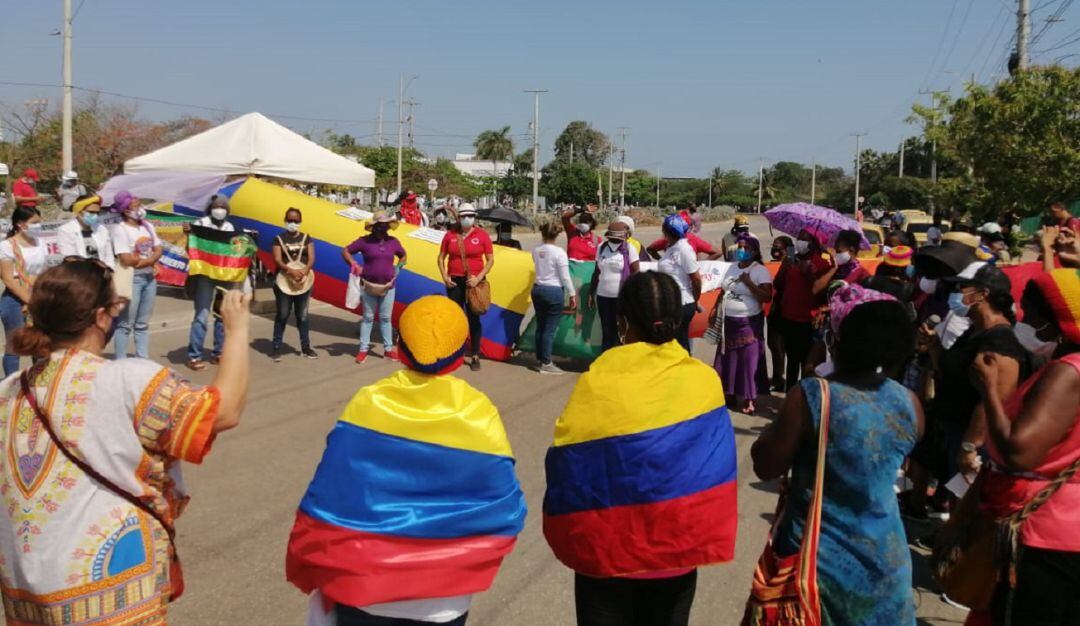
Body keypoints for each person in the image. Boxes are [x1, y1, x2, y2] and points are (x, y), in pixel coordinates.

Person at [0, 259, 250, 625]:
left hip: (26, 587)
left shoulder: (9, 389)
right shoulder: (130, 379)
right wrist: (237, 329)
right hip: (109, 591)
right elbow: (222, 412)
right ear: (102, 317)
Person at [287, 295, 525, 626]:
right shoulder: (477, 411)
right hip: (445, 599)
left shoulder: (370, 402)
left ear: (399, 346)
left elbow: (330, 491)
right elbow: (504, 504)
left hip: (362, 588)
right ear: (460, 352)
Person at [544, 271, 738, 626]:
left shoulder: (598, 380)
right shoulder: (704, 379)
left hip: (605, 557)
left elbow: (568, 464)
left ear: (622, 322)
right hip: (676, 556)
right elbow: (711, 466)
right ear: (678, 319)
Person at [751, 284, 923, 626]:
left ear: (838, 341)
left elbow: (765, 464)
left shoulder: (813, 395)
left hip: (818, 565)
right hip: (886, 559)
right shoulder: (910, 404)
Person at [965, 269, 1080, 626]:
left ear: (1056, 319)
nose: (1024, 318)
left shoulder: (1068, 372)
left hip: (1044, 533)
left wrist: (988, 389)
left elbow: (1020, 452)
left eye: (1031, 312)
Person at [906, 263, 1033, 519]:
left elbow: (992, 400)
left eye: (961, 288)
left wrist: (970, 446)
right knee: (955, 497)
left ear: (982, 294)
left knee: (965, 503)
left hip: (971, 438)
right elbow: (952, 371)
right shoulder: (974, 332)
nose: (955, 293)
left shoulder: (999, 342)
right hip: (952, 428)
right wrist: (933, 346)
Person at [711, 234, 772, 414]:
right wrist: (715, 309)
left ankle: (749, 398)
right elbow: (723, 291)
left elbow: (767, 296)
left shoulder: (760, 270)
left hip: (749, 322)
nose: (741, 250)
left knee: (749, 361)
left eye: (746, 248)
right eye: (739, 246)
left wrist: (749, 283)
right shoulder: (731, 268)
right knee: (728, 359)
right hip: (728, 322)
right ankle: (729, 393)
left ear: (754, 251)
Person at [343, 211, 407, 364]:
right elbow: (346, 251)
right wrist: (354, 265)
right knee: (368, 318)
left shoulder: (393, 242)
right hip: (368, 285)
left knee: (385, 319)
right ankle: (363, 350)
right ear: (374, 226)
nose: (382, 228)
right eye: (379, 225)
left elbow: (403, 255)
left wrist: (399, 267)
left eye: (385, 225)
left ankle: (388, 350)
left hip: (389, 286)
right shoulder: (364, 241)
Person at [184, 196, 239, 370]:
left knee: (222, 315)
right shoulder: (201, 223)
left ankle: (218, 353)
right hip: (206, 275)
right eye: (217, 206)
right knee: (201, 315)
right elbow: (191, 248)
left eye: (223, 206)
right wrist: (189, 234)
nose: (220, 209)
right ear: (210, 208)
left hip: (224, 275)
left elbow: (234, 249)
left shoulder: (229, 227)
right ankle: (194, 356)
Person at [773, 228, 832, 390]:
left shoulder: (821, 264)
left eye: (804, 239)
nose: (799, 242)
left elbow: (822, 293)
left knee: (808, 363)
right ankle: (790, 394)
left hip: (808, 321)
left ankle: (805, 397)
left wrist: (809, 275)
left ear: (813, 243)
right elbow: (777, 284)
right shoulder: (791, 258)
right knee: (792, 360)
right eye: (798, 238)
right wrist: (786, 266)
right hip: (789, 318)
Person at [439, 204, 493, 371]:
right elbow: (441, 258)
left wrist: (478, 278)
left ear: (474, 217)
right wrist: (445, 277)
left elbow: (490, 260)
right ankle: (454, 353)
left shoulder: (482, 235)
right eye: (463, 216)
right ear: (460, 218)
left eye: (470, 216)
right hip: (455, 282)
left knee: (473, 318)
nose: (467, 219)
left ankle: (475, 354)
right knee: (455, 318)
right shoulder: (450, 235)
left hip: (473, 283)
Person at [111, 191, 163, 360]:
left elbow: (158, 249)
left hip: (149, 279)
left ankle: (142, 357)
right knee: (125, 323)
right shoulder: (120, 229)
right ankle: (121, 361)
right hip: (133, 279)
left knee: (142, 323)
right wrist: (151, 259)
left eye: (140, 204)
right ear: (126, 211)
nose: (140, 208)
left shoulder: (147, 226)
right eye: (135, 205)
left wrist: (146, 261)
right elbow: (126, 259)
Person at [0, 207, 45, 376]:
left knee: (39, 344)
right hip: (14, 300)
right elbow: (8, 279)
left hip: (38, 296)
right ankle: (11, 385)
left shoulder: (40, 242)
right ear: (20, 224)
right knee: (15, 345)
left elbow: (43, 271)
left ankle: (37, 381)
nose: (38, 226)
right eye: (34, 223)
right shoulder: (7, 245)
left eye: (39, 223)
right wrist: (28, 300)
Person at [271, 208, 317, 362]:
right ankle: (276, 347)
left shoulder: (306, 238)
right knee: (283, 314)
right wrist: (290, 270)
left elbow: (311, 257)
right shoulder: (279, 238)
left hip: (303, 281)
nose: (293, 223)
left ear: (300, 221)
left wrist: (304, 270)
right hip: (284, 281)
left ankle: (306, 347)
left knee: (302, 316)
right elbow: (277, 259)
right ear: (285, 220)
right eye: (290, 220)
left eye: (296, 220)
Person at [531, 222, 577, 374]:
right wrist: (572, 293)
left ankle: (540, 358)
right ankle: (546, 363)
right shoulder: (559, 252)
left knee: (541, 326)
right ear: (557, 235)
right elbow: (565, 276)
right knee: (549, 330)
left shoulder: (536, 250)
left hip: (538, 289)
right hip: (554, 290)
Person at [589, 218, 640, 352]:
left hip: (622, 298)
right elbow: (596, 272)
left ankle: (621, 359)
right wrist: (591, 292)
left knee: (622, 329)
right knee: (607, 330)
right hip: (603, 296)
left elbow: (636, 274)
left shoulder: (629, 249)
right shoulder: (602, 248)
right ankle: (606, 358)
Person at [656, 214, 702, 352]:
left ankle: (683, 370)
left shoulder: (684, 250)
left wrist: (696, 299)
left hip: (682, 303)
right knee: (673, 342)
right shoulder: (672, 247)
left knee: (679, 343)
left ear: (667, 231)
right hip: (671, 302)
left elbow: (696, 278)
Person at [56, 194, 115, 267]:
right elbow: (70, 258)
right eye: (91, 212)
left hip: (102, 275)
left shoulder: (102, 229)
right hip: (79, 275)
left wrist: (110, 271)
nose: (95, 216)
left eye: (97, 213)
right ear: (79, 211)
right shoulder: (65, 230)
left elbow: (109, 256)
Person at [767, 236, 794, 391]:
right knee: (774, 345)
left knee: (778, 345)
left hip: (783, 310)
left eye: (778, 247)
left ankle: (780, 380)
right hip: (774, 309)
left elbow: (778, 283)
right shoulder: (776, 263)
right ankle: (778, 377)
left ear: (787, 248)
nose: (775, 250)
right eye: (774, 246)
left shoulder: (790, 262)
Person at [813, 229, 870, 294]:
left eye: (839, 251)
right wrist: (833, 269)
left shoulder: (861, 274)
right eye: (835, 251)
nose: (835, 254)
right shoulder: (834, 268)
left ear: (852, 250)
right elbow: (815, 289)